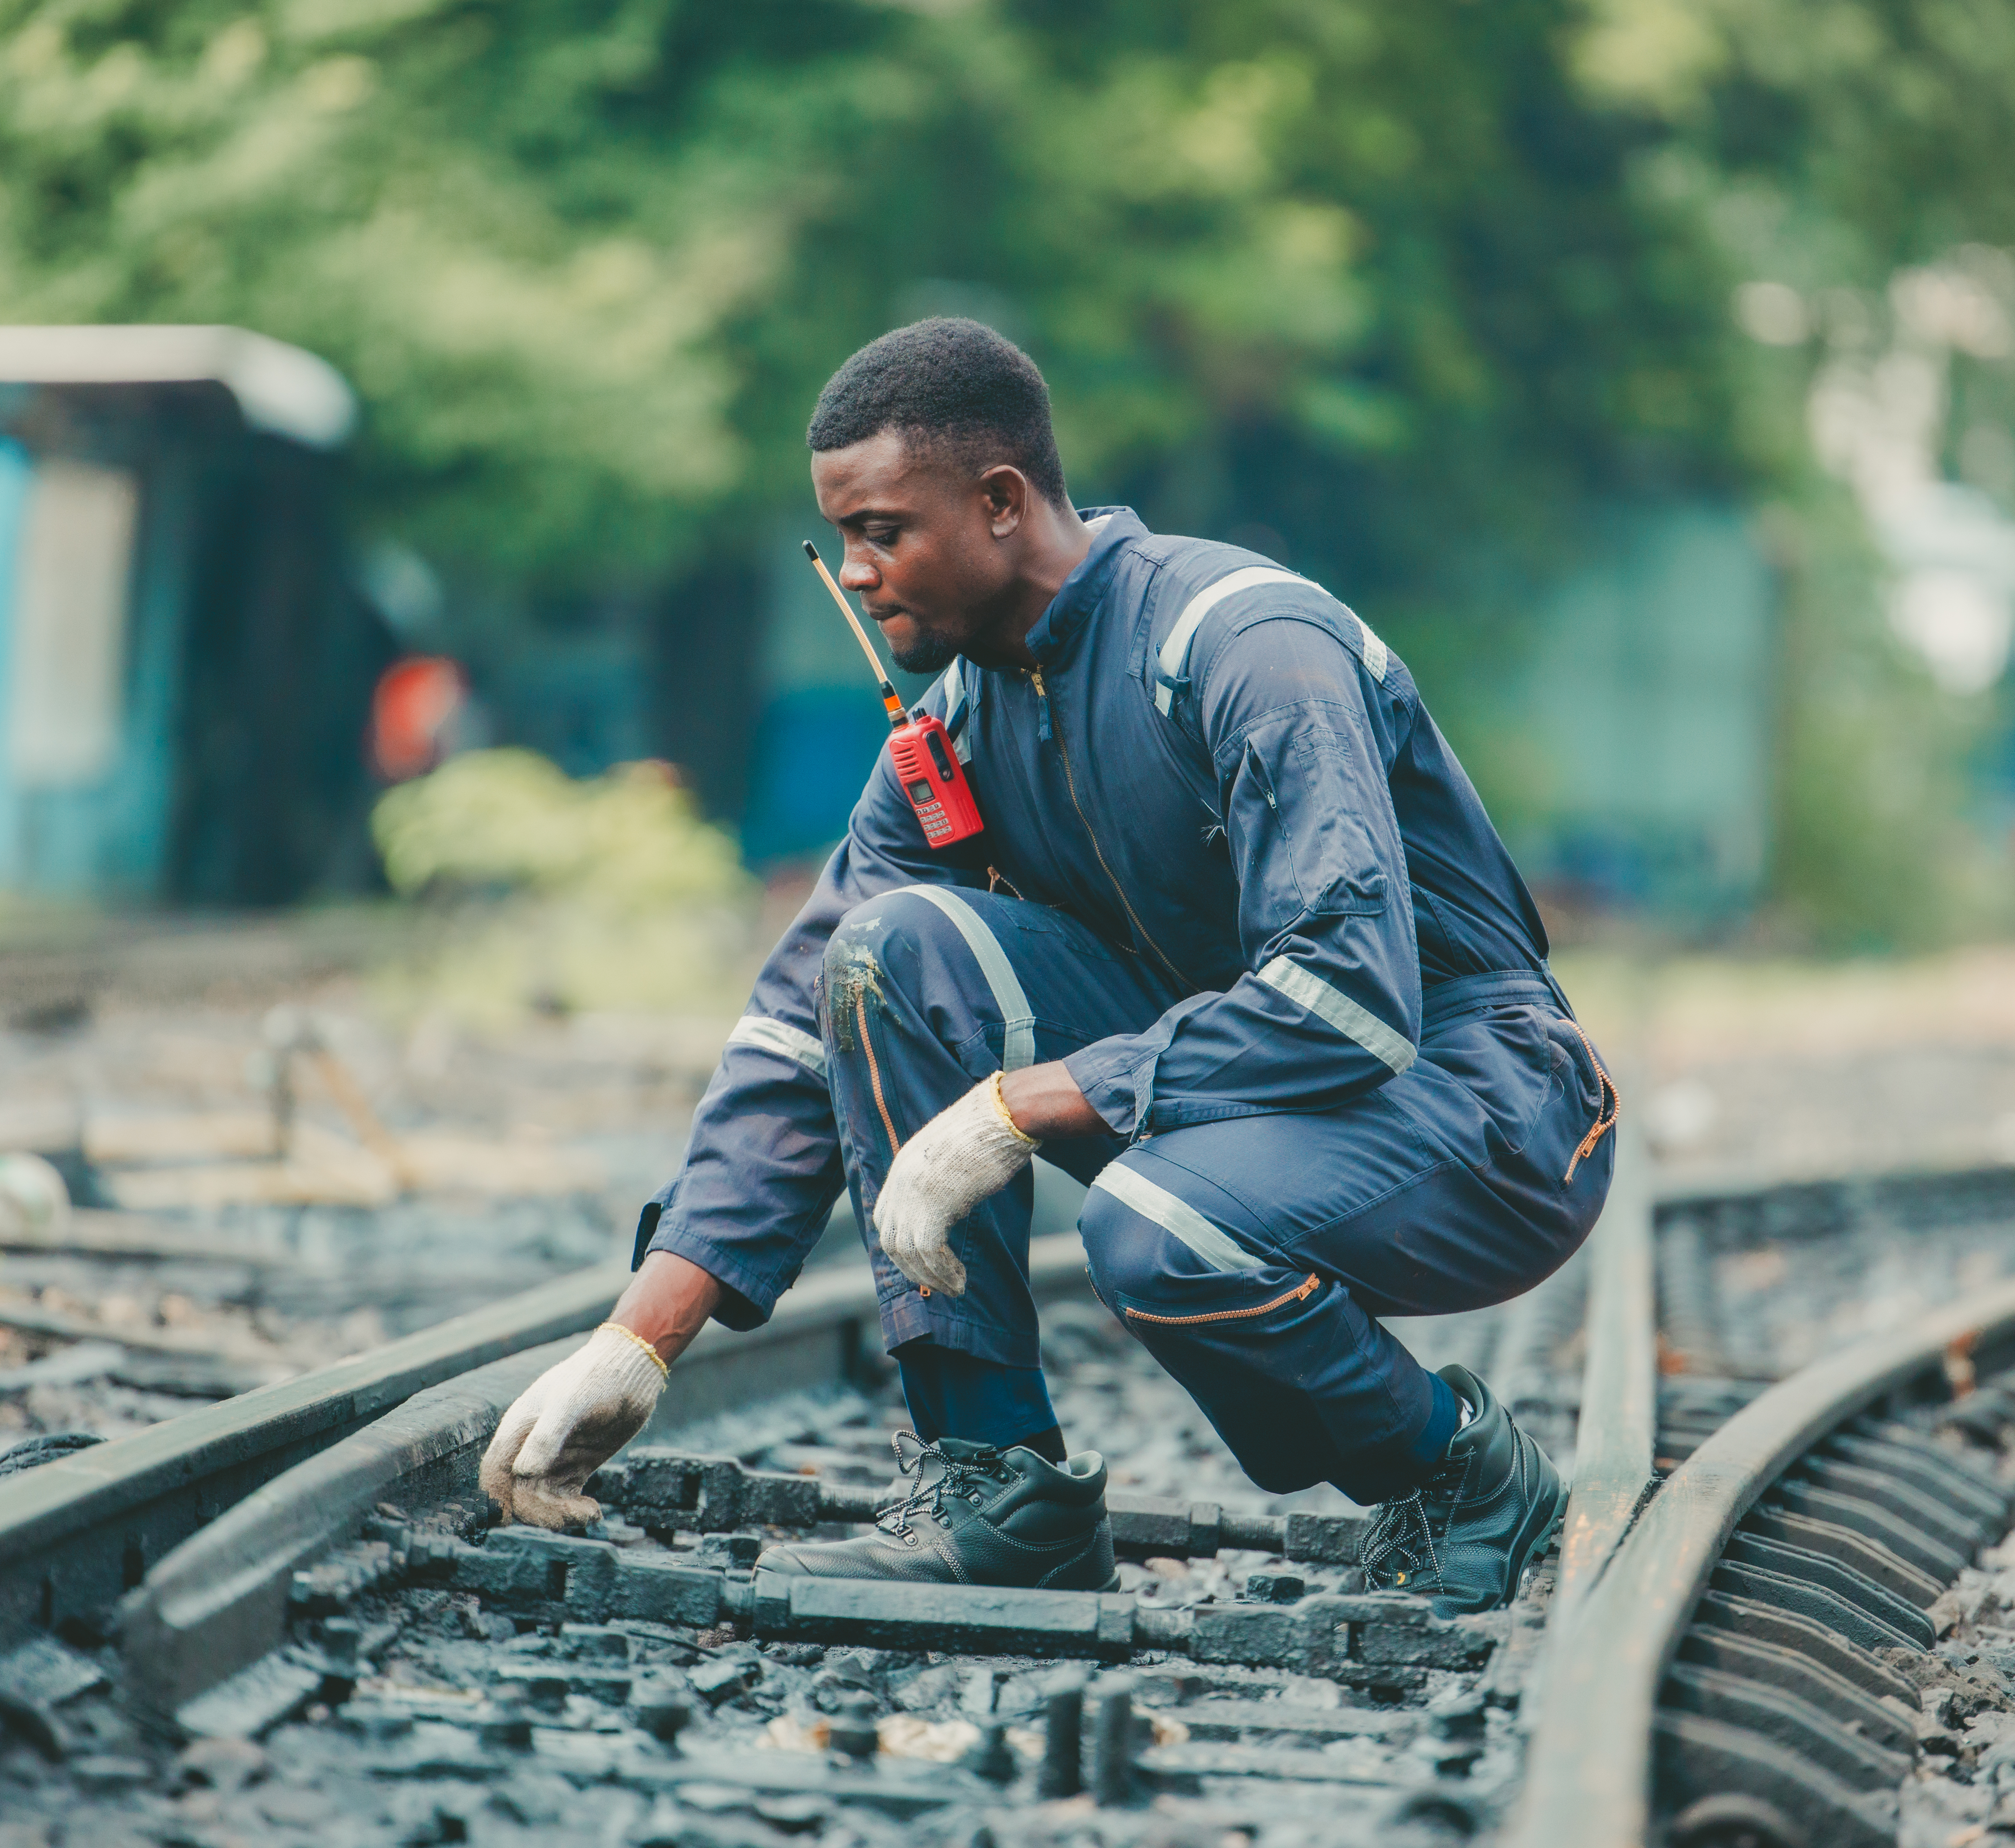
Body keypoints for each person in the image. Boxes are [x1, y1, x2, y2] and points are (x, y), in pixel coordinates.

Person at [481, 318, 1616, 1615]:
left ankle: (1467, 1475)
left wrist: (1022, 1105)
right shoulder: (966, 715)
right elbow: (804, 1025)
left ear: (1003, 503)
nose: (856, 573)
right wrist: (640, 1338)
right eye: (841, 538)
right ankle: (995, 1487)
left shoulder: (1243, 646)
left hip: (1488, 1097)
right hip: (1256, 1086)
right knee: (886, 955)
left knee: (1157, 1224)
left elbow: (1351, 994)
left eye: (884, 531)